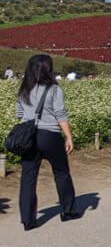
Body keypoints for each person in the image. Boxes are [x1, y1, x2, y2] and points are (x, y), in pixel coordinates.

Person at [16, 54, 79, 230]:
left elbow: (19, 113)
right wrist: (68, 136)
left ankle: (28, 220)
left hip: (29, 136)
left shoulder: (24, 88)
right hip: (50, 135)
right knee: (61, 171)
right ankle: (68, 210)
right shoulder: (54, 89)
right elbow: (60, 114)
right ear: (48, 69)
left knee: (28, 177)